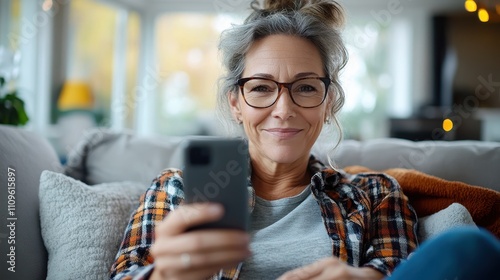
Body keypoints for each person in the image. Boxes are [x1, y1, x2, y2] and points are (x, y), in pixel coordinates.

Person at [110, 0, 420, 279]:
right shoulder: (176, 191)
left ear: (328, 104)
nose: (284, 110)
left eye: (306, 87)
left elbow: (406, 272)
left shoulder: (376, 195)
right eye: (261, 88)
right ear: (236, 104)